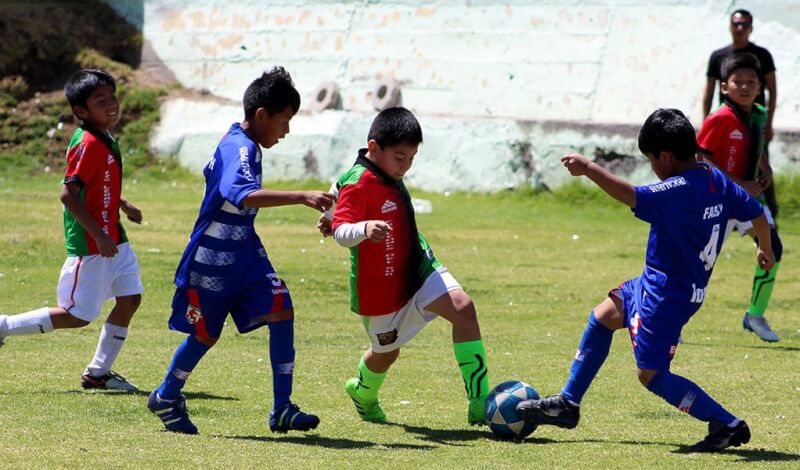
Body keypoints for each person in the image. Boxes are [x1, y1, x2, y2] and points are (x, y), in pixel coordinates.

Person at [515, 109, 774, 452]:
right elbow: (756, 211)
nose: (652, 165)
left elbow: (631, 195)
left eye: (651, 158)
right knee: (603, 316)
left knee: (651, 375)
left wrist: (589, 168)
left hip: (667, 295)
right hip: (659, 283)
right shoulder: (714, 178)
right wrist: (764, 248)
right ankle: (568, 404)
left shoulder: (677, 190)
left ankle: (726, 423)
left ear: (664, 156)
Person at [147, 67, 334, 435]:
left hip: (245, 254)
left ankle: (282, 408)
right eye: (284, 120)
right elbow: (242, 194)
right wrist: (302, 195)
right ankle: (166, 395)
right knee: (205, 334)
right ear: (261, 115)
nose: (287, 130)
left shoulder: (245, 144)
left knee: (281, 309)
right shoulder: (239, 147)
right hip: (213, 260)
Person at [318, 107, 490, 426]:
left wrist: (329, 215)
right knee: (386, 353)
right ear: (374, 148)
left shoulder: (384, 171)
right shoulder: (360, 182)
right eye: (400, 158)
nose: (405, 166)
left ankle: (480, 402)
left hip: (420, 267)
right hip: (380, 290)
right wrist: (360, 228)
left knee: (463, 308)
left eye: (411, 158)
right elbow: (343, 230)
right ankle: (363, 392)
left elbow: (335, 190)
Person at [0, 69, 143, 391]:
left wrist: (121, 203)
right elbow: (68, 193)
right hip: (94, 245)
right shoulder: (89, 143)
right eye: (100, 101)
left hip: (115, 239)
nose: (111, 105)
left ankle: (98, 374)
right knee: (76, 315)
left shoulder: (105, 137)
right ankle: (3, 326)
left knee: (130, 298)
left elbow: (97, 185)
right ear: (81, 111)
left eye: (113, 97)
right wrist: (99, 235)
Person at [697, 53, 783, 342]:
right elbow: (703, 159)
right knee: (696, 261)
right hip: (718, 200)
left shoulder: (758, 113)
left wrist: (764, 168)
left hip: (748, 202)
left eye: (751, 82)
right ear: (725, 87)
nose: (745, 87)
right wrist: (741, 183)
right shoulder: (719, 118)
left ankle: (755, 315)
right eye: (738, 82)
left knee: (773, 248)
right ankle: (668, 316)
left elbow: (754, 146)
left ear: (760, 87)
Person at [703, 8, 778, 217]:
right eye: (736, 23)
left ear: (751, 28)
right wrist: (706, 118)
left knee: (760, 167)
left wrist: (769, 123)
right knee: (723, 167)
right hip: (728, 124)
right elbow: (709, 90)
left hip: (754, 122)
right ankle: (722, 212)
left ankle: (767, 212)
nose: (740, 28)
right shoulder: (718, 56)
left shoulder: (762, 56)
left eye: (744, 24)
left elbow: (772, 89)